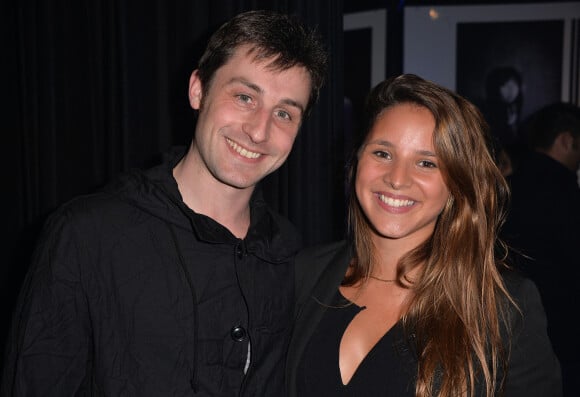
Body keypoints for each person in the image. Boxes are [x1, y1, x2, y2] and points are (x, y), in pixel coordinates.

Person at [1, 10, 327, 396]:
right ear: (198, 90)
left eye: (284, 113)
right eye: (244, 97)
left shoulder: (289, 252)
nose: (259, 130)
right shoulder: (87, 234)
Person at [286, 74, 561, 396]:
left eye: (427, 163)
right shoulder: (303, 272)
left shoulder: (502, 307)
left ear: (456, 186)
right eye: (383, 154)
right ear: (356, 159)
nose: (398, 179)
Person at [502, 102, 580, 397]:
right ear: (566, 140)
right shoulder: (567, 197)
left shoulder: (502, 191)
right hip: (562, 344)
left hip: (500, 336)